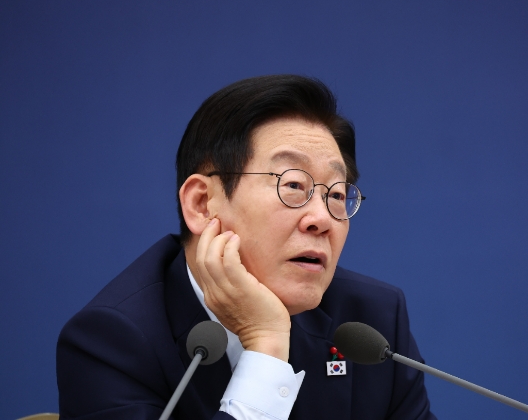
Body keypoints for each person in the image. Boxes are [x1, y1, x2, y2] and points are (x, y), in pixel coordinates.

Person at [57, 75, 436, 419]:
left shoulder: (374, 320)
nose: (322, 218)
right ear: (202, 204)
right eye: (293, 186)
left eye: (336, 194)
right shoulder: (111, 342)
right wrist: (266, 346)